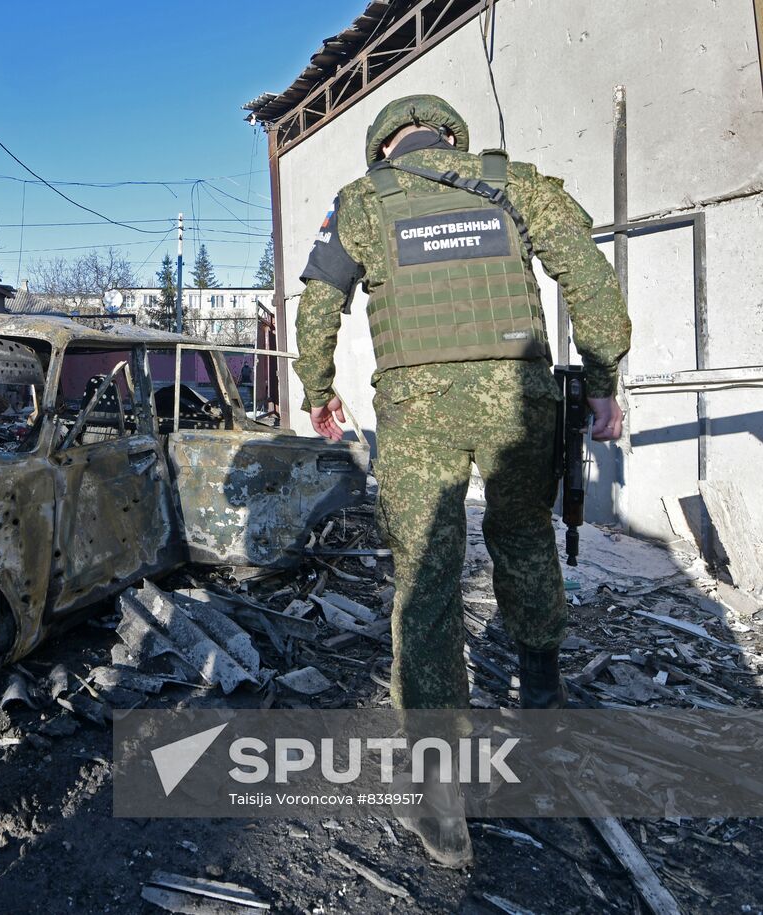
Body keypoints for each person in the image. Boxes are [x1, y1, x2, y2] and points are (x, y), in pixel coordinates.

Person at [292, 94, 631, 865]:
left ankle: (441, 797)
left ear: (384, 148)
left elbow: (318, 306)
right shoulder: (513, 183)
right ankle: (544, 708)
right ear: (451, 137)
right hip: (520, 399)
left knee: (428, 578)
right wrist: (605, 375)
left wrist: (316, 388)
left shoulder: (363, 201)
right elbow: (586, 269)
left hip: (417, 410)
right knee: (524, 540)